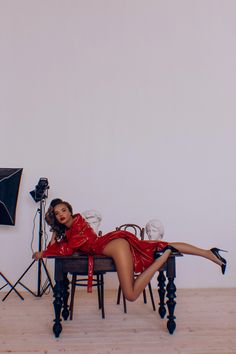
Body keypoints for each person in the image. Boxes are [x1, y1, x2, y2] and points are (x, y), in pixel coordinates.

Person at [32, 198, 227, 302]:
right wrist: (55, 234)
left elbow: (63, 251)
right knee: (158, 245)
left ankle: (164, 256)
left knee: (131, 295)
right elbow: (62, 248)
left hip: (115, 245)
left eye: (63, 210)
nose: (61, 215)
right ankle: (210, 253)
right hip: (114, 244)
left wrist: (44, 251)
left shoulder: (76, 227)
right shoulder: (71, 230)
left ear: (70, 210)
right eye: (57, 214)